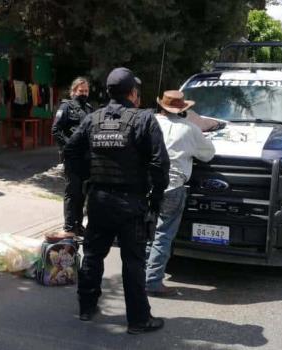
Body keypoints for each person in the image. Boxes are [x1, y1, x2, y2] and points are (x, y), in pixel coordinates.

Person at [64, 67, 170, 334]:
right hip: (131, 203)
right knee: (133, 262)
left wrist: (86, 177)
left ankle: (86, 308)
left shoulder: (93, 118)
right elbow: (160, 164)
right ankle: (138, 320)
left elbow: (70, 151)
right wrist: (156, 200)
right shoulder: (144, 119)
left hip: (98, 200)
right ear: (133, 93)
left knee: (93, 255)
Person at [145, 90, 216, 297]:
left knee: (147, 231)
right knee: (163, 235)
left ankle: (140, 276)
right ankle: (153, 281)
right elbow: (208, 154)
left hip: (146, 186)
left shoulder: (150, 124)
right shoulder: (190, 130)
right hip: (173, 186)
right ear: (183, 109)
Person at [52, 77, 94, 235]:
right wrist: (68, 146)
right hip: (72, 157)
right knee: (72, 191)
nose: (83, 93)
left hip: (86, 158)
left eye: (86, 91)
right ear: (73, 91)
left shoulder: (89, 109)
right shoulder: (66, 107)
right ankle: (69, 226)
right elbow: (56, 130)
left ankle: (78, 225)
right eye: (80, 91)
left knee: (82, 192)